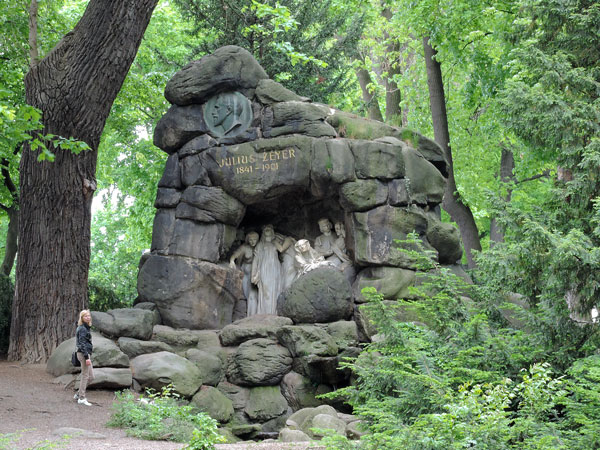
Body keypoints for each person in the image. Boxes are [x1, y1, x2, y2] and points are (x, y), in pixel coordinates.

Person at [251, 224, 285, 315]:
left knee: (276, 290)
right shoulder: (260, 245)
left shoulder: (276, 242)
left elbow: (282, 250)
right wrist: (253, 274)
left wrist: (275, 241)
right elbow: (256, 260)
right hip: (264, 268)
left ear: (272, 230)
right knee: (265, 290)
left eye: (269, 229)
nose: (267, 230)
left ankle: (274, 313)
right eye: (265, 229)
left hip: (275, 268)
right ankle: (264, 313)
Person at [229, 231, 260, 316]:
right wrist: (232, 261)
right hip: (247, 272)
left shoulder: (260, 246)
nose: (253, 241)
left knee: (254, 293)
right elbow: (235, 255)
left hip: (257, 272)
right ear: (248, 240)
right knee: (247, 292)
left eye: (255, 239)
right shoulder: (244, 248)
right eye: (251, 240)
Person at [75, 309, 94, 406]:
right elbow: (82, 344)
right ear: (82, 318)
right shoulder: (82, 328)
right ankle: (81, 398)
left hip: (85, 353)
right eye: (86, 316)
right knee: (85, 375)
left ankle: (78, 394)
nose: (88, 317)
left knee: (91, 377)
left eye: (89, 315)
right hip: (83, 354)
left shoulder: (86, 327)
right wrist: (87, 357)